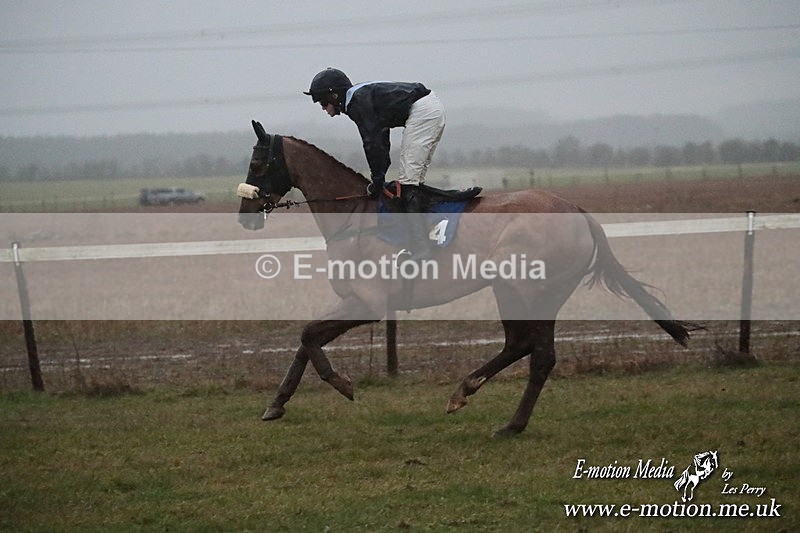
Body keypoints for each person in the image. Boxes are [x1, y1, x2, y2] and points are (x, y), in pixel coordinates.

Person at [304, 67, 445, 260]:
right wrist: (380, 174)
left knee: (409, 182)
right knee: (412, 181)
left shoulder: (356, 103)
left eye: (322, 102)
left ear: (334, 94)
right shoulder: (359, 98)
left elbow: (371, 141)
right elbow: (381, 137)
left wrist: (377, 179)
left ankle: (422, 250)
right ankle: (423, 237)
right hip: (427, 108)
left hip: (423, 112)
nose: (323, 108)